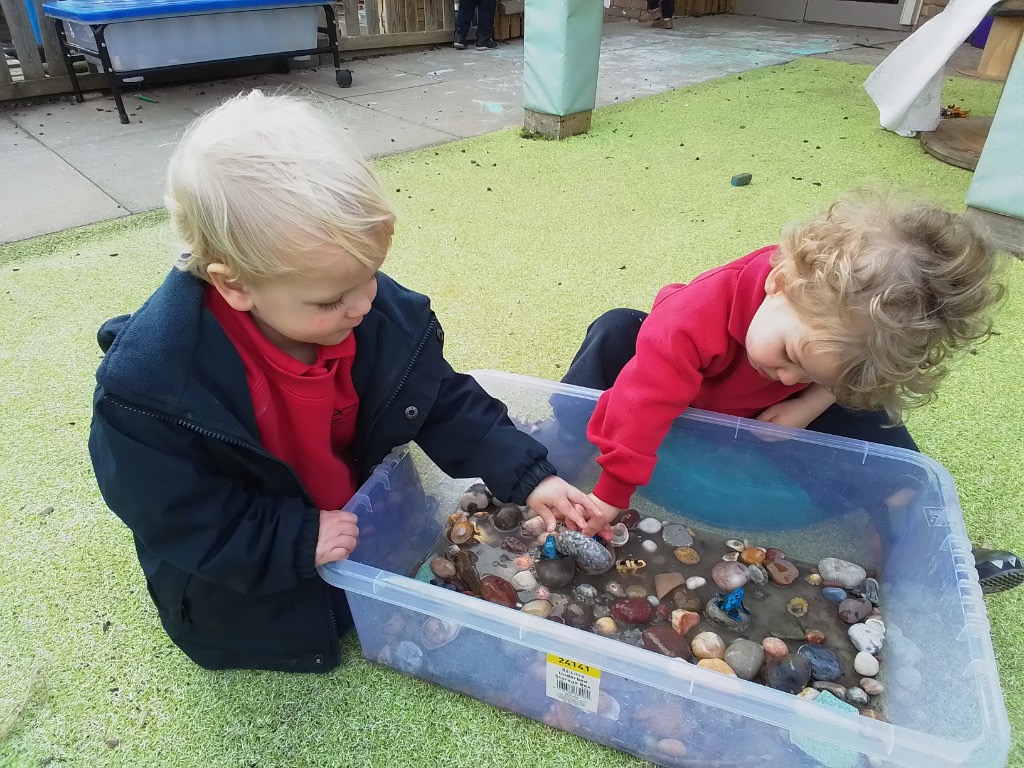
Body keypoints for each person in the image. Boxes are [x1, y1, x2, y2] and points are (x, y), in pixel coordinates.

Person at [87, 91, 599, 673]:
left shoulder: (372, 316)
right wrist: (291, 539)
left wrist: (529, 474)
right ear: (234, 286)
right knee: (316, 615)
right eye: (332, 299)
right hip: (247, 587)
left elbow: (443, 401)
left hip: (360, 519)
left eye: (371, 276)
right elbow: (177, 512)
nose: (363, 305)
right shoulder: (153, 394)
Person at [559, 192, 1021, 593]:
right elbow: (644, 401)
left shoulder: (824, 339)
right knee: (617, 327)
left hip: (768, 417)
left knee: (875, 415)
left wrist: (811, 399)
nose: (784, 375)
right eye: (789, 354)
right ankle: (561, 437)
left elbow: (850, 382)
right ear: (778, 283)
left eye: (806, 369)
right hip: (685, 395)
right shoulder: (692, 316)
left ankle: (923, 543)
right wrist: (613, 493)